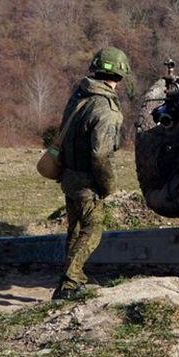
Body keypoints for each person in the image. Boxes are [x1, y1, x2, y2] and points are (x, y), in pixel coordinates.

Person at [52, 46, 130, 300]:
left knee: (75, 230)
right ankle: (69, 284)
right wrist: (108, 185)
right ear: (119, 77)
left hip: (69, 175)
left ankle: (74, 278)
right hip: (87, 182)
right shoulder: (106, 110)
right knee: (92, 232)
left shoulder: (79, 95)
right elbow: (100, 154)